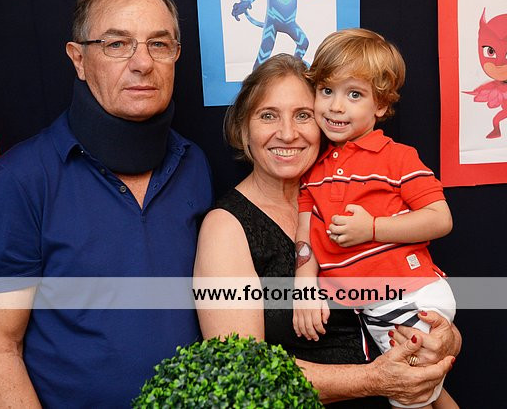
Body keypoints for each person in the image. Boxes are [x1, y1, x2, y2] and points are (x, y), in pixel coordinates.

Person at [0, 0, 213, 407]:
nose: (143, 63)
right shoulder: (21, 179)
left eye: (159, 44)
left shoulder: (193, 164)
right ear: (79, 59)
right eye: (117, 44)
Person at [194, 54, 459, 407]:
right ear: (244, 130)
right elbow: (240, 369)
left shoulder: (355, 195)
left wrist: (445, 339)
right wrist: (375, 380)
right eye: (268, 115)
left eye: (303, 115)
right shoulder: (226, 228)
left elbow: (403, 306)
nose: (287, 133)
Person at [292, 28, 457, 409]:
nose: (336, 106)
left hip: (409, 293)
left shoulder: (396, 157)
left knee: (411, 393)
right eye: (327, 91)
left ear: (380, 105)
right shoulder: (313, 170)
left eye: (354, 95)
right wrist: (304, 286)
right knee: (423, 391)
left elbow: (440, 219)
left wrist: (373, 228)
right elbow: (305, 232)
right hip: (371, 305)